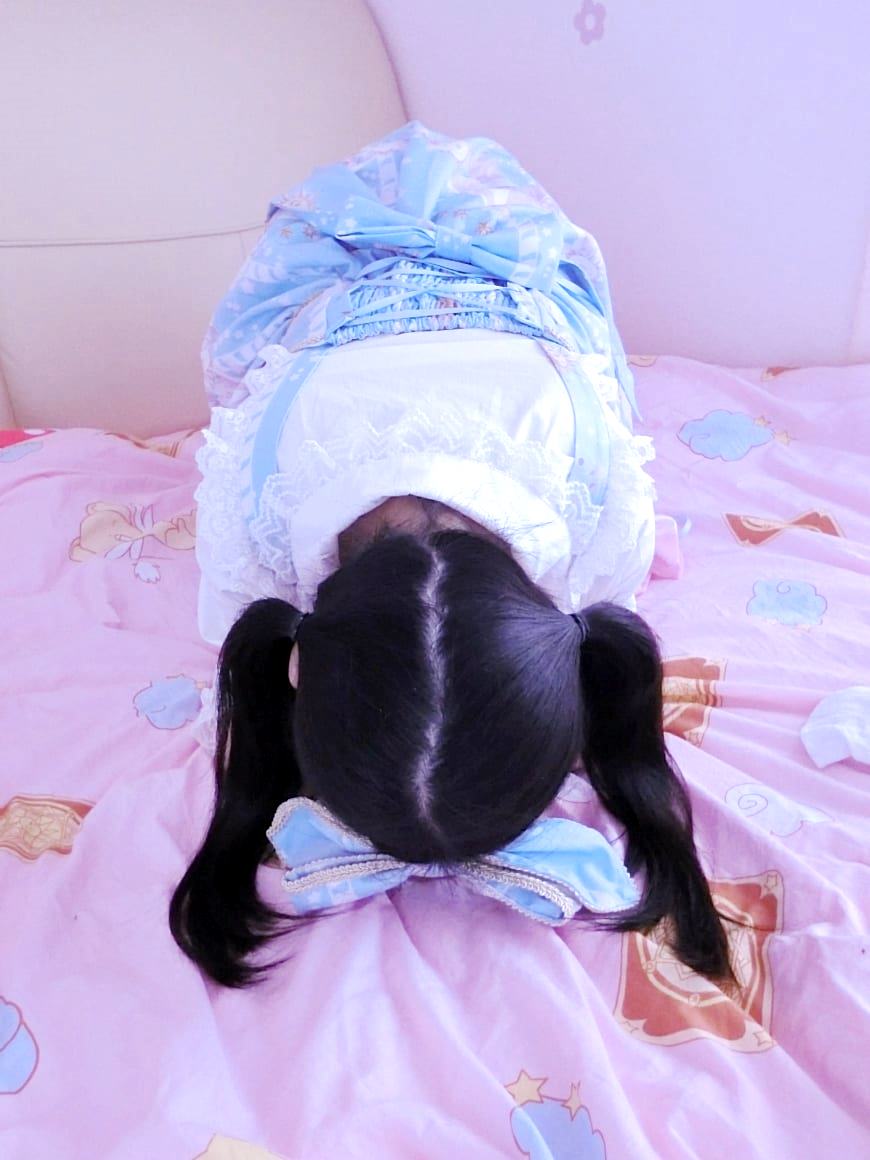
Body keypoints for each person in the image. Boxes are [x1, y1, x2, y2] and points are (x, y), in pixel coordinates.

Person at [171, 123, 732, 988]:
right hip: (415, 318)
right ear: (296, 669)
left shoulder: (597, 506)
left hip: (483, 325)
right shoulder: (255, 503)